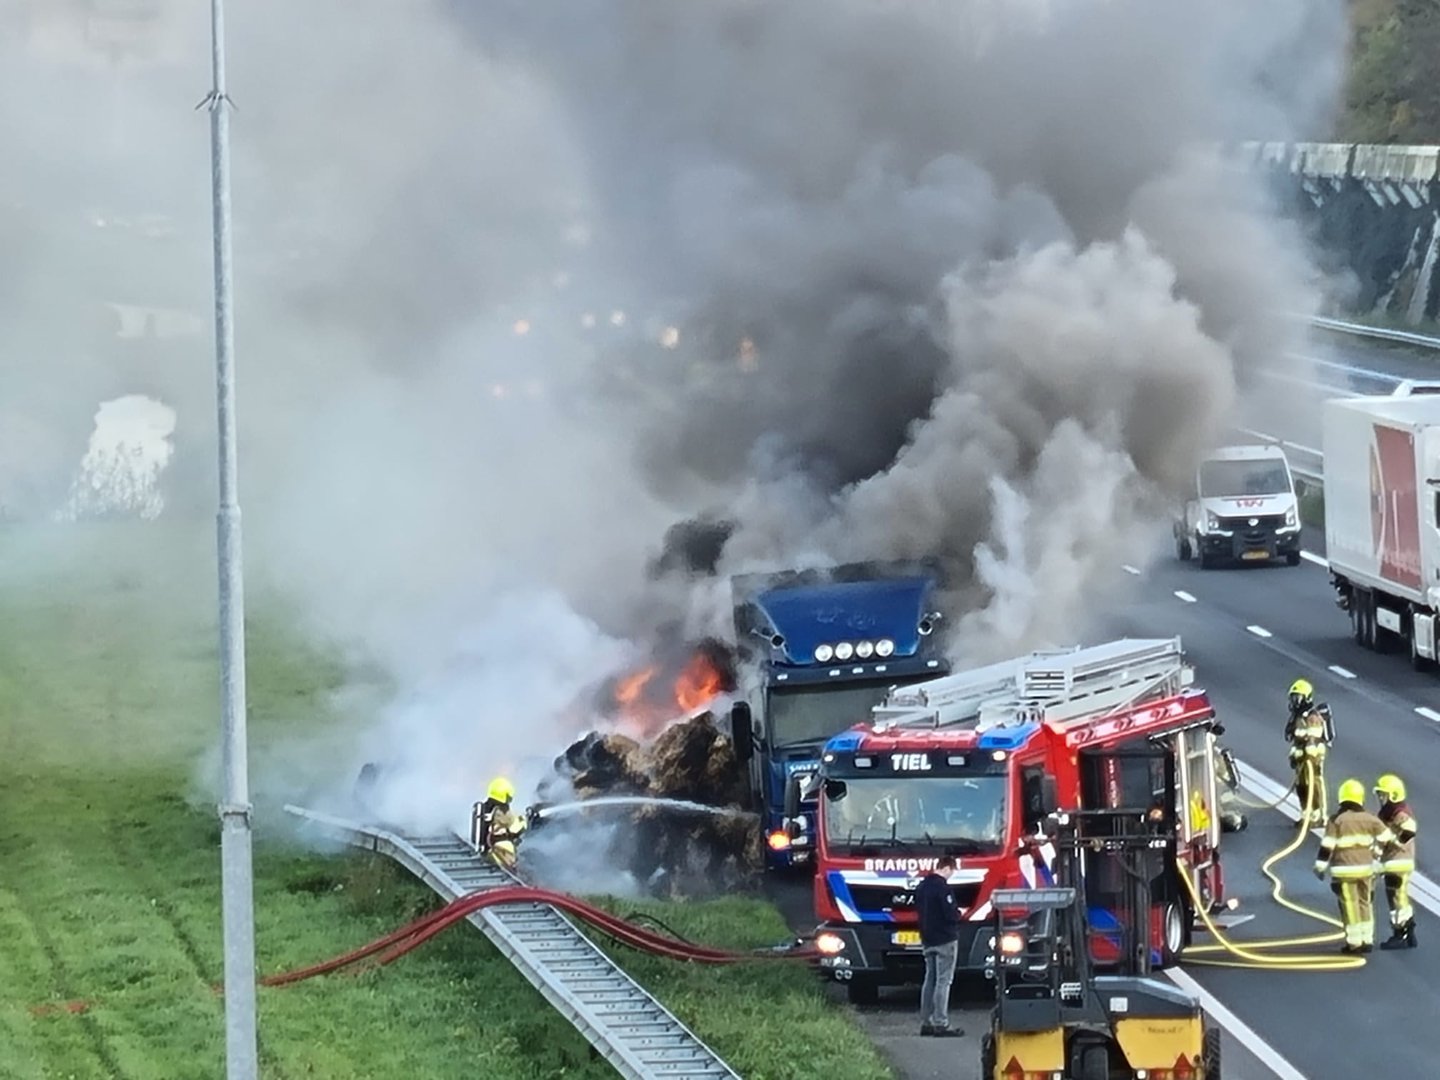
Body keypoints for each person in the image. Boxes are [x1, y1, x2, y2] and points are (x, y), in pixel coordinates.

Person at [1313, 778, 1395, 954]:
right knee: (1365, 902)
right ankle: (1367, 939)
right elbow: (1387, 837)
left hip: (1344, 871)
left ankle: (1354, 942)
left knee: (1350, 904)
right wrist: (1375, 854)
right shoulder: (1370, 819)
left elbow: (1327, 846)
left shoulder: (1337, 821)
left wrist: (1320, 867)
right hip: (1366, 870)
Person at [914, 856, 964, 1038]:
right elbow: (950, 914)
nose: (952, 875)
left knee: (930, 980)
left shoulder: (922, 886)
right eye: (952, 871)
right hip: (945, 939)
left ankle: (926, 1022)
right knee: (944, 981)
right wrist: (959, 913)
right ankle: (941, 1023)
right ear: (948, 868)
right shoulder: (943, 888)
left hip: (927, 939)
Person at [1375, 774, 1419, 950]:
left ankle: (1401, 933)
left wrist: (1394, 841)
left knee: (1397, 898)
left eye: (1383, 794)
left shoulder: (1398, 812)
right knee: (1397, 897)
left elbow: (1410, 829)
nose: (1380, 798)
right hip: (1394, 862)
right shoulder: (1388, 812)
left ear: (1393, 794)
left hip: (1398, 863)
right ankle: (1409, 930)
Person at [1284, 679, 1331, 821]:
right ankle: (1306, 811)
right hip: (1301, 756)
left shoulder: (1313, 717)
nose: (1295, 702)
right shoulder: (1297, 717)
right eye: (1294, 698)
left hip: (1313, 757)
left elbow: (1313, 739)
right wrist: (1294, 755)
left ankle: (1319, 813)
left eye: (1298, 698)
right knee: (1301, 784)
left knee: (1314, 782)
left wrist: (1310, 755)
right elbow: (1294, 737)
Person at [470, 776, 528, 871]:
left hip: (490, 849)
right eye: (509, 797)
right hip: (499, 849)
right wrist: (523, 821)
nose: (510, 799)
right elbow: (514, 827)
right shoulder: (499, 811)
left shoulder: (486, 807)